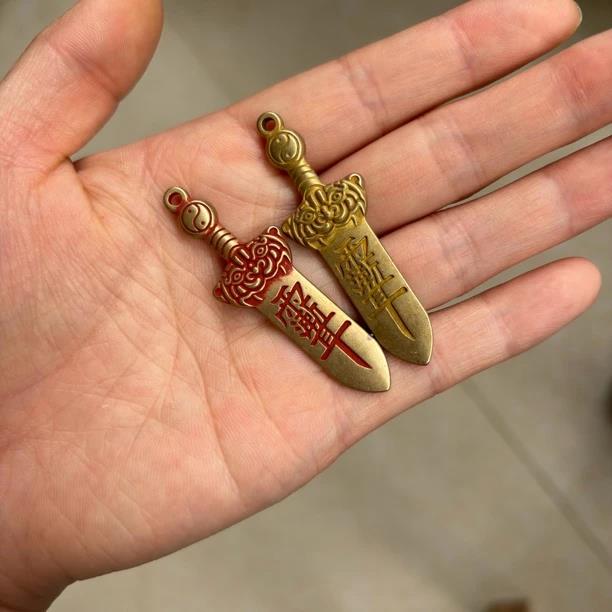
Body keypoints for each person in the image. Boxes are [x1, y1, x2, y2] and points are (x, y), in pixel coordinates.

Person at [0, 0, 609, 609]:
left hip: (313, 230)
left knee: (388, 312)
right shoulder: (254, 270)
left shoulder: (303, 222)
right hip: (270, 267)